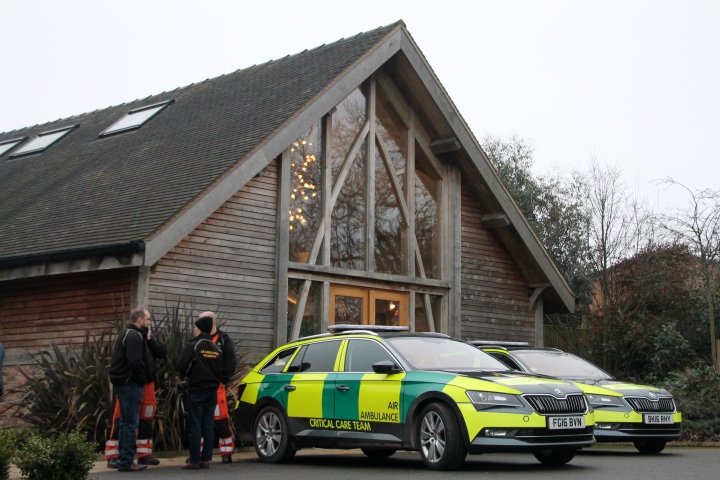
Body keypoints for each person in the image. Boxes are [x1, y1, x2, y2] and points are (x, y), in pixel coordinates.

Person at [109, 307, 165, 472]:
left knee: (129, 422)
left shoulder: (131, 335)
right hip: (130, 384)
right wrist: (141, 379)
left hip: (128, 383)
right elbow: (134, 361)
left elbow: (161, 352)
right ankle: (126, 461)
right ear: (139, 319)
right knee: (129, 423)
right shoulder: (133, 335)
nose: (149, 322)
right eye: (147, 319)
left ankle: (126, 460)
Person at [177, 315, 223, 470]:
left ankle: (194, 459)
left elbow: (183, 365)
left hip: (196, 390)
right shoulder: (216, 347)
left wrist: (187, 376)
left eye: (195, 326)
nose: (194, 329)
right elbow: (221, 370)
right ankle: (206, 459)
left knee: (195, 425)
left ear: (200, 328)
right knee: (208, 424)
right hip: (212, 390)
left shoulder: (194, 345)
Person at [196, 311, 237, 463]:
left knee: (220, 418)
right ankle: (198, 452)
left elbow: (231, 360)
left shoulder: (223, 339)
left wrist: (223, 379)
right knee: (200, 420)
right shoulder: (198, 339)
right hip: (201, 385)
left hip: (217, 385)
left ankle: (226, 452)